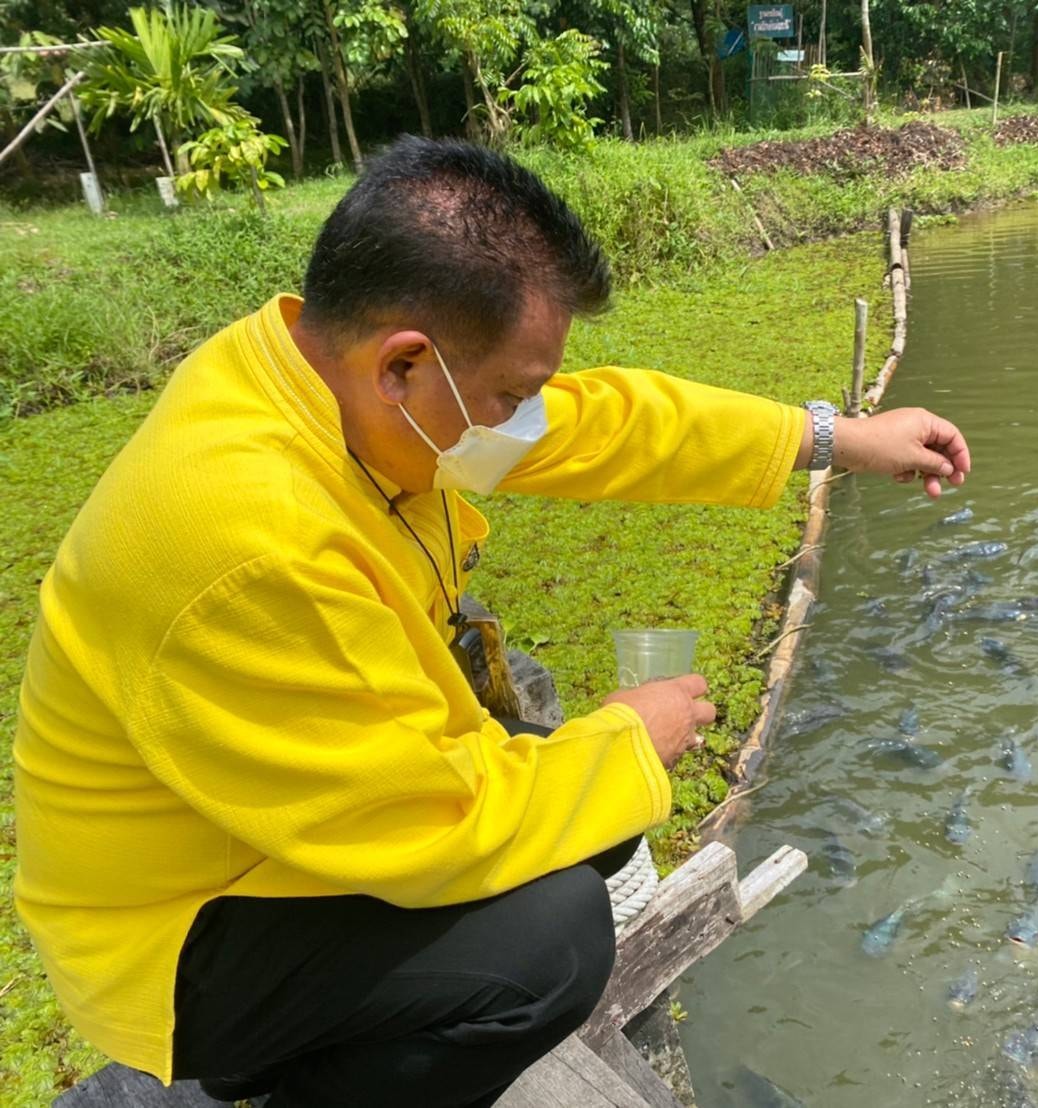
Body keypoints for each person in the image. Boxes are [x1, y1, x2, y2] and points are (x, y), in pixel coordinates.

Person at [11, 136, 970, 1108]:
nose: (524, 418)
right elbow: (434, 828)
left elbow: (596, 425)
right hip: (176, 926)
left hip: (282, 804)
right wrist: (632, 742)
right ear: (404, 365)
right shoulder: (254, 539)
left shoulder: (326, 380)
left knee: (579, 827)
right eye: (512, 393)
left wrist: (834, 438)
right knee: (549, 941)